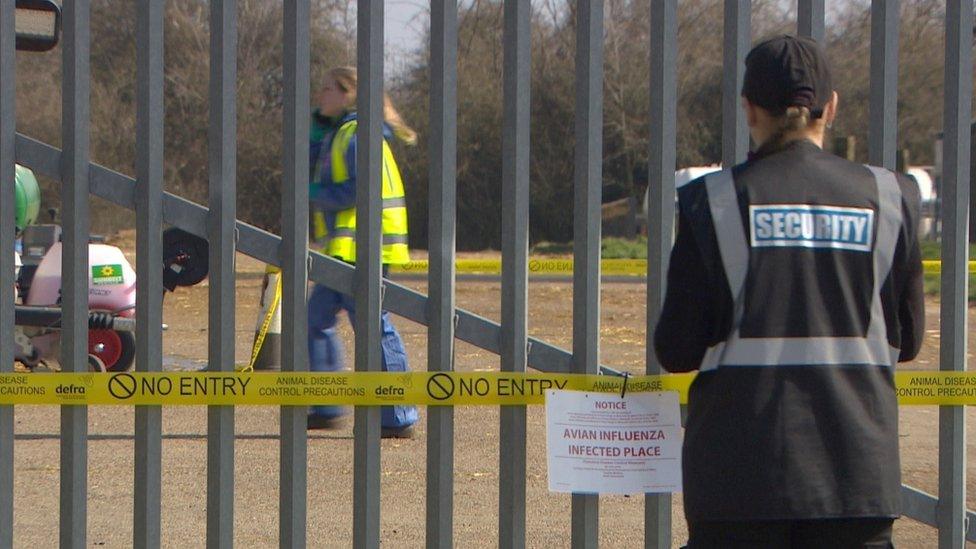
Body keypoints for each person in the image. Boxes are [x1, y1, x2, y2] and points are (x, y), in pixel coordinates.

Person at [654, 35, 924, 548]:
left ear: (749, 108)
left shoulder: (710, 202)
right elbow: (907, 342)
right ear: (832, 108)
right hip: (855, 483)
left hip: (737, 485)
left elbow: (676, 350)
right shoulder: (892, 198)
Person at [306, 66, 419, 438]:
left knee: (373, 327)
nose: (319, 94)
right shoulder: (341, 133)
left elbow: (358, 188)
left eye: (326, 88)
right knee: (315, 319)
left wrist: (311, 196)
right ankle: (326, 405)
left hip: (364, 249)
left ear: (348, 93)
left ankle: (397, 414)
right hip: (344, 249)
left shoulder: (358, 134)